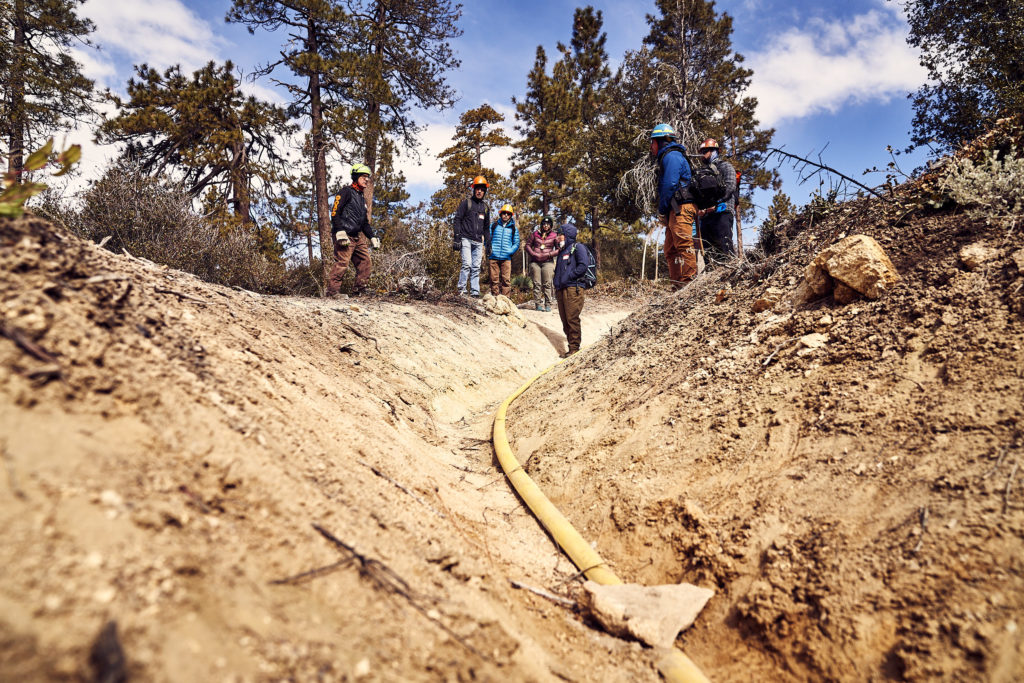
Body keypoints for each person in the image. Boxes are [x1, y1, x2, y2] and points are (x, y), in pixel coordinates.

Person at [651, 123, 698, 290]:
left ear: (660, 141)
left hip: (681, 208)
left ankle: (689, 285)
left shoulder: (672, 156)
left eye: (652, 142)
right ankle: (677, 285)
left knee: (684, 245)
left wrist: (662, 210)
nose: (651, 147)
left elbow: (669, 184)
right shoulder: (669, 156)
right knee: (670, 249)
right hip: (675, 209)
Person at [326, 163, 380, 297]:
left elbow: (364, 223)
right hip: (344, 235)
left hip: (357, 236)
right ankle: (332, 293)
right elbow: (334, 212)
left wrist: (372, 236)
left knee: (365, 262)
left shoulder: (362, 199)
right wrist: (339, 231)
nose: (366, 179)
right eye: (363, 176)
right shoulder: (346, 192)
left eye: (368, 177)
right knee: (342, 263)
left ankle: (359, 291)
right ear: (356, 177)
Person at [696, 138, 737, 263]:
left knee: (725, 246)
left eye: (705, 151)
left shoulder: (726, 166)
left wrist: (715, 204)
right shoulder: (701, 172)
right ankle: (713, 278)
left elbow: (730, 187)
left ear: (714, 151)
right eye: (702, 151)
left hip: (723, 212)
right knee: (708, 252)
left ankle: (732, 273)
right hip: (706, 216)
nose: (702, 155)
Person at [553, 223, 591, 357]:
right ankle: (571, 347)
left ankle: (574, 348)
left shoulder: (578, 247)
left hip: (573, 289)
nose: (558, 237)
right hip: (561, 289)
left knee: (572, 319)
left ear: (567, 235)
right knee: (565, 320)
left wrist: (568, 277)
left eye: (560, 234)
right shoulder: (562, 251)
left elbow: (583, 266)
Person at [453, 176, 490, 297]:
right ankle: (461, 290)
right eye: (477, 189)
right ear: (474, 190)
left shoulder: (485, 208)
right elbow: (457, 219)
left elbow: (486, 228)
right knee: (467, 264)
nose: (479, 191)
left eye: (482, 189)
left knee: (476, 267)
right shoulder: (466, 203)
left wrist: (488, 244)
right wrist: (457, 237)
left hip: (478, 242)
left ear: (484, 191)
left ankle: (475, 292)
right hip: (466, 239)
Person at [525, 214, 558, 311]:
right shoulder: (535, 234)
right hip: (535, 262)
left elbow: (559, 249)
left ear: (551, 225)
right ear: (541, 225)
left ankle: (548, 304)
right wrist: (533, 254)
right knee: (537, 283)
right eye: (544, 224)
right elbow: (527, 246)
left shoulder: (554, 235)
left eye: (548, 224)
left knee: (547, 283)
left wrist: (549, 255)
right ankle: (538, 305)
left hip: (548, 262)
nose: (546, 226)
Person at [487, 204, 520, 297]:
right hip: (493, 257)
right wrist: (490, 250)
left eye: (508, 214)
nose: (506, 215)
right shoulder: (493, 225)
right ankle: (495, 299)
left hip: (506, 258)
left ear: (511, 215)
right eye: (504, 213)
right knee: (494, 280)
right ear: (500, 214)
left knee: (506, 280)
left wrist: (509, 252)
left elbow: (516, 243)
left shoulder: (514, 228)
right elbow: (487, 239)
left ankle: (506, 301)